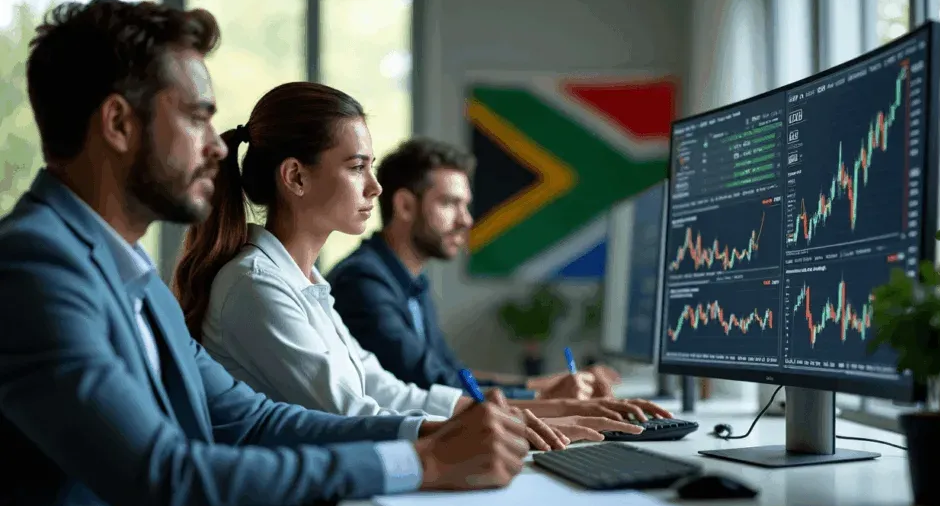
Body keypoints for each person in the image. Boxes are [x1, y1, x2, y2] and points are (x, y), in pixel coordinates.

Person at [0, 0, 530, 506]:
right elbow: (168, 482)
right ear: (117, 123)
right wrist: (422, 461)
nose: (217, 146)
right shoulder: (34, 270)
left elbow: (253, 422)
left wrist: (427, 433)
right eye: (197, 117)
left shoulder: (135, 277)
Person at [170, 81, 657, 449]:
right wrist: (512, 419)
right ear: (295, 176)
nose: (374, 188)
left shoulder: (306, 282)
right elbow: (348, 416)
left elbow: (392, 390)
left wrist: (545, 411)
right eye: (357, 167)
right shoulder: (256, 286)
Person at [326, 137, 624, 400]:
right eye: (449, 204)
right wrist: (538, 392)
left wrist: (544, 384)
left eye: (465, 206)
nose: (466, 220)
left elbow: (452, 373)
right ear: (404, 206)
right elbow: (429, 382)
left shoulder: (411, 282)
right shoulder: (362, 281)